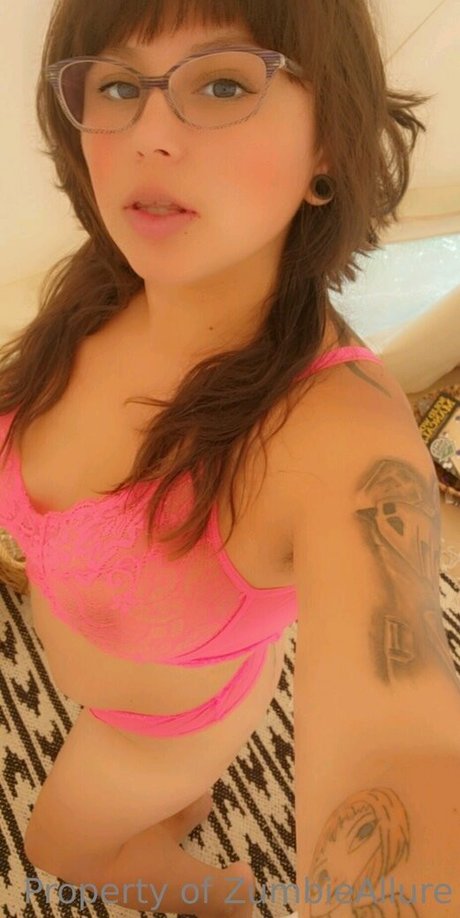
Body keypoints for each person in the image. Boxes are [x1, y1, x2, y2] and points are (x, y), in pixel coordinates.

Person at [1, 1, 450, 916]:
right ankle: (174, 818)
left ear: (329, 145)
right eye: (116, 86)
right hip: (116, 687)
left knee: (56, 850)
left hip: (159, 732)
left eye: (221, 85)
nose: (146, 134)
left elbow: (403, 742)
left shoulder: (334, 432)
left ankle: (223, 896)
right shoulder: (103, 284)